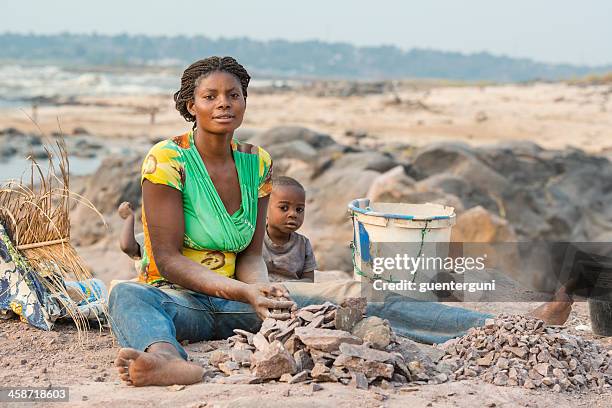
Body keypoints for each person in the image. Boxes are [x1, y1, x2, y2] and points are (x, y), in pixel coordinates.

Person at [109, 56, 572, 388]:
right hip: (182, 302)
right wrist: (243, 291)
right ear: (191, 105)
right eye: (210, 96)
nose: (223, 103)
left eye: (234, 95)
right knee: (126, 294)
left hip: (245, 302)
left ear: (245, 102)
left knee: (360, 296)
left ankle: (502, 327)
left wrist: (264, 290)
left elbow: (251, 255)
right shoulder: (167, 159)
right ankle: (167, 360)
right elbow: (167, 259)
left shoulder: (257, 163)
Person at [264, 176, 316, 282]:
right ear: (264, 209)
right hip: (265, 290)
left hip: (295, 293)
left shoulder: (303, 244)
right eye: (284, 208)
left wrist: (291, 287)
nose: (293, 214)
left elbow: (309, 280)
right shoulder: (255, 239)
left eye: (299, 209)